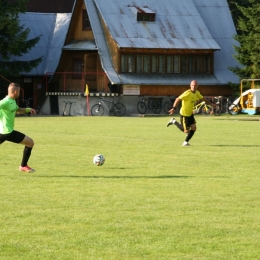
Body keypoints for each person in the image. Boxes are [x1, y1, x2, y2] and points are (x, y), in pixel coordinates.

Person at [166, 80, 215, 146]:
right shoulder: (187, 93)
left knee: (194, 128)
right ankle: (174, 121)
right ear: (190, 85)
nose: (193, 87)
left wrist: (211, 104)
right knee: (185, 131)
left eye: (195, 85)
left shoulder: (197, 93)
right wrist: (174, 108)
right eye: (192, 85)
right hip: (184, 114)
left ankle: (185, 142)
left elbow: (203, 98)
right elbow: (177, 99)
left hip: (190, 114)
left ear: (197, 86)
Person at [0, 83, 36, 172]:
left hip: (3, 132)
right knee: (30, 143)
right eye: (19, 91)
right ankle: (23, 166)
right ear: (15, 92)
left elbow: (18, 110)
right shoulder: (6, 101)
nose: (19, 93)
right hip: (7, 132)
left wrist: (28, 109)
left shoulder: (12, 101)